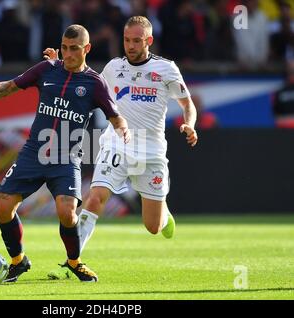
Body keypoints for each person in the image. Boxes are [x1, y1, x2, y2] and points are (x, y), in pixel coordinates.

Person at [0, 24, 130, 283]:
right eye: (64, 48)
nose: (68, 54)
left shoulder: (94, 83)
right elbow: (11, 85)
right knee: (3, 207)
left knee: (67, 212)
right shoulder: (47, 69)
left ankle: (75, 262)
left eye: (74, 49)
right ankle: (18, 261)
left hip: (66, 157)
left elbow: (116, 116)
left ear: (86, 49)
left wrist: (124, 131)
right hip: (34, 151)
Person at [44, 16, 198, 280]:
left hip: (151, 151)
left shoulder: (166, 69)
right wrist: (57, 64)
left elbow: (187, 105)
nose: (130, 45)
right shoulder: (114, 67)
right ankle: (72, 262)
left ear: (148, 41)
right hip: (117, 142)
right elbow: (87, 81)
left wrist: (190, 125)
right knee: (94, 198)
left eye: (137, 41)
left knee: (153, 226)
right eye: (127, 40)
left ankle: (164, 213)